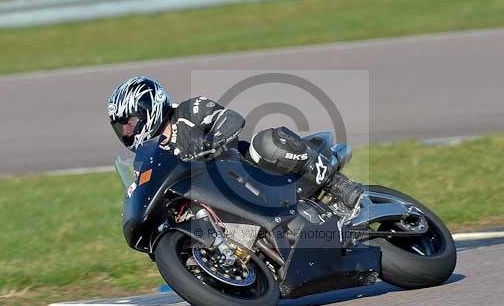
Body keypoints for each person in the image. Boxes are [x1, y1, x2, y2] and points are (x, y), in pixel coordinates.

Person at [107, 76, 363, 209]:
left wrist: (213, 141)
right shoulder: (148, 158)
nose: (127, 132)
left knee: (266, 142)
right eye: (122, 128)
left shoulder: (189, 110)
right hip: (216, 201)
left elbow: (230, 118)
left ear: (149, 109)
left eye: (130, 122)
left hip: (251, 174)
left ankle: (337, 185)